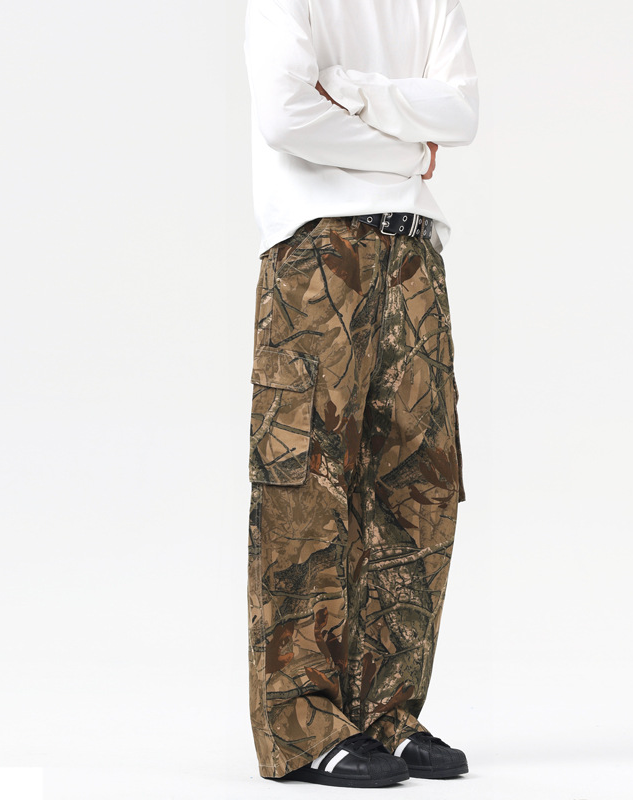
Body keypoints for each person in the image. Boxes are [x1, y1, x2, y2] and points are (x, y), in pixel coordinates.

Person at [243, 0, 479, 787]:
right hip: (317, 246)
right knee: (305, 483)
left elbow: (463, 112)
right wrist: (408, 151)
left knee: (419, 480)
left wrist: (352, 92)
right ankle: (303, 724)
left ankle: (386, 711)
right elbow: (286, 115)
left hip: (413, 249)